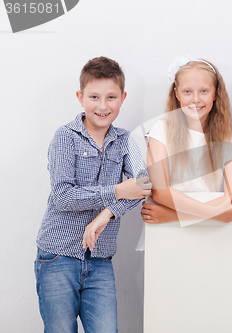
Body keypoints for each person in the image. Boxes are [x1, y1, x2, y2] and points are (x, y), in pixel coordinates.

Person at [35, 56, 151, 332]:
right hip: (57, 256)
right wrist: (117, 190)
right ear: (80, 96)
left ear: (122, 98)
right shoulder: (65, 136)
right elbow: (63, 196)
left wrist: (106, 214)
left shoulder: (124, 141)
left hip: (99, 261)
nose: (103, 106)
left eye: (111, 97)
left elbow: (144, 184)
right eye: (94, 97)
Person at [141, 57, 232, 224]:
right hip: (167, 232)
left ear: (215, 93)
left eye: (204, 91)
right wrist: (215, 212)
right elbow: (160, 191)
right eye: (187, 92)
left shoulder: (229, 139)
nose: (196, 99)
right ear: (177, 94)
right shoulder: (161, 130)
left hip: (208, 230)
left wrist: (172, 216)